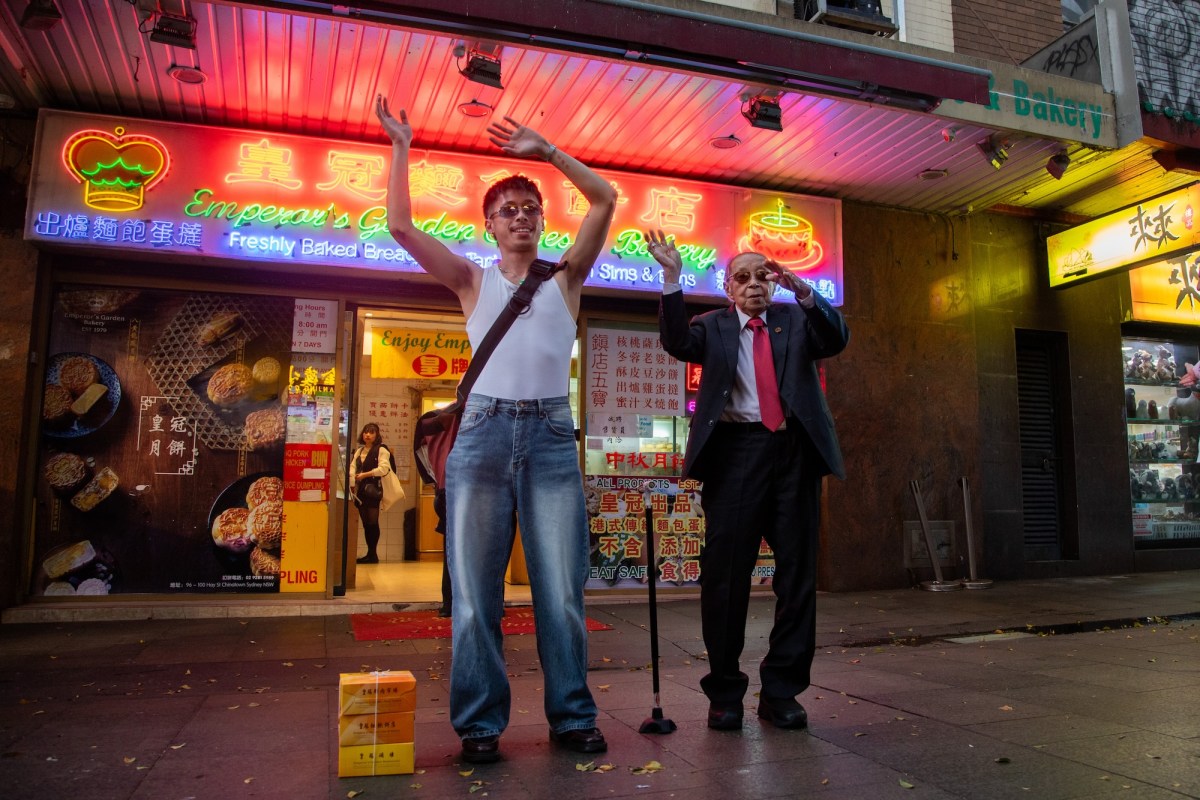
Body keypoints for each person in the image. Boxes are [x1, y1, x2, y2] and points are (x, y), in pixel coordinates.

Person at [375, 95, 616, 763]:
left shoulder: (566, 278)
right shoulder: (471, 281)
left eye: (530, 210)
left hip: (548, 438)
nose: (520, 218)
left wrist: (548, 153)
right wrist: (401, 146)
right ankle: (480, 726)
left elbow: (603, 200)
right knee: (476, 598)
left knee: (562, 593)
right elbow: (399, 226)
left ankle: (571, 717)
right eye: (507, 212)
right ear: (488, 227)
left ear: (541, 223)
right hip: (480, 439)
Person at [647, 231, 850, 732]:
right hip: (734, 455)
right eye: (744, 276)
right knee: (725, 577)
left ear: (774, 283)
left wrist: (805, 292)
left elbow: (836, 338)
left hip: (793, 454)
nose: (755, 283)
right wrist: (671, 279)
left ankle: (781, 691)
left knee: (798, 576)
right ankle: (725, 692)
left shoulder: (796, 320)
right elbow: (675, 342)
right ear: (727, 287)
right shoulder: (711, 327)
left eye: (764, 275)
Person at [349, 422, 393, 564]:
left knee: (373, 523)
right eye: (366, 432)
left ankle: (373, 554)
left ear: (377, 435)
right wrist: (352, 480)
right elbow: (352, 468)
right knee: (366, 523)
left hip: (373, 491)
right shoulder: (359, 451)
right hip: (360, 491)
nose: (368, 435)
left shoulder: (381, 450)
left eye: (371, 432)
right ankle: (370, 554)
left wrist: (364, 475)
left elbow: (384, 469)